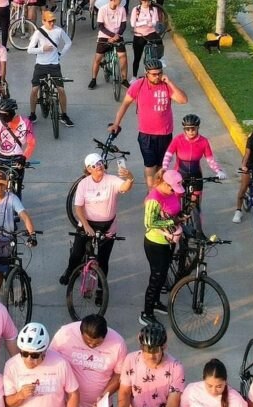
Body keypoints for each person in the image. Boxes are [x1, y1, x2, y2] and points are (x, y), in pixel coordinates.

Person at [108, 59, 189, 188]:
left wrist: (170, 82)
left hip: (165, 134)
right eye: (153, 74)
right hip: (146, 135)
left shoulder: (166, 85)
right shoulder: (138, 85)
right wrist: (116, 123)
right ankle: (152, 193)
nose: (157, 77)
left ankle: (159, 190)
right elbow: (125, 105)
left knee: (162, 165)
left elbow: (183, 100)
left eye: (159, 73)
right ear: (146, 73)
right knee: (150, 165)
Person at [59, 152, 135, 288]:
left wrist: (130, 179)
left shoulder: (111, 180)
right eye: (94, 165)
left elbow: (124, 187)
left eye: (100, 163)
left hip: (108, 226)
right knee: (77, 253)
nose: (99, 167)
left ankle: (101, 288)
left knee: (103, 260)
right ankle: (70, 270)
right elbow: (78, 207)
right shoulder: (83, 184)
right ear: (89, 169)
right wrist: (86, 226)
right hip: (87, 223)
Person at [140, 169, 184, 326]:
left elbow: (174, 210)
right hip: (155, 244)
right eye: (172, 188)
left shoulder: (171, 192)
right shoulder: (154, 198)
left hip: (168, 242)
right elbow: (149, 223)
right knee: (156, 277)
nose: (174, 191)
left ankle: (156, 302)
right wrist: (173, 221)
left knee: (163, 275)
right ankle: (146, 313)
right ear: (163, 183)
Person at [162, 114, 226, 213]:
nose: (191, 131)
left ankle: (197, 220)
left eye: (193, 129)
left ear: (198, 128)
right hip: (179, 173)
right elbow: (168, 155)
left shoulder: (204, 141)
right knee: (176, 199)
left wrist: (218, 171)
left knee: (196, 199)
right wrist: (164, 168)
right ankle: (175, 220)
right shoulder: (178, 139)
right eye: (188, 129)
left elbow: (210, 159)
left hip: (196, 174)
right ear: (184, 129)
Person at [26, 12, 74, 128]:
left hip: (54, 65)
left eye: (53, 21)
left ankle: (64, 115)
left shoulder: (59, 31)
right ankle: (32, 114)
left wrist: (60, 55)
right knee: (34, 90)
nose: (52, 23)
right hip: (40, 65)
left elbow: (68, 42)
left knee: (61, 90)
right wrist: (42, 49)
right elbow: (29, 50)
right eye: (49, 21)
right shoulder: (38, 33)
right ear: (43, 21)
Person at [0, 99, 35, 194]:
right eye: (0, 114)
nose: (2, 117)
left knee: (17, 189)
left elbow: (31, 143)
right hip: (1, 158)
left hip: (18, 159)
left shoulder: (26, 122)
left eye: (5, 115)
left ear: (12, 113)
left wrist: (24, 157)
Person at [89, 0, 128, 89]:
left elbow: (123, 25)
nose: (121, 1)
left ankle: (124, 79)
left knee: (123, 57)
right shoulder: (103, 9)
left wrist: (117, 35)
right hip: (104, 36)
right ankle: (93, 79)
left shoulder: (122, 9)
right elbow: (101, 26)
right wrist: (112, 36)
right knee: (97, 58)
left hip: (118, 35)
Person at [129, 0, 165, 78]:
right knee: (137, 57)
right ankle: (134, 77)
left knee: (159, 41)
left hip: (151, 33)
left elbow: (155, 22)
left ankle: (160, 58)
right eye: (145, 1)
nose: (147, 3)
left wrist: (150, 23)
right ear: (141, 1)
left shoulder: (153, 9)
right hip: (139, 34)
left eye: (148, 1)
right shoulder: (136, 9)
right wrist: (144, 22)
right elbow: (133, 23)